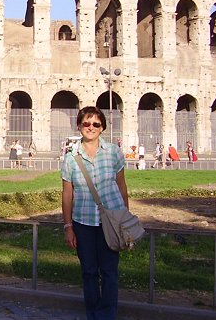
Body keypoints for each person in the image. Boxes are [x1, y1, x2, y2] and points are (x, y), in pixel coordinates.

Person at [61, 106, 128, 320]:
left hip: (111, 220)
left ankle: (106, 315)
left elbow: (122, 186)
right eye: (86, 123)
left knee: (109, 272)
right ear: (79, 126)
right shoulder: (71, 157)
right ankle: (92, 314)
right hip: (83, 222)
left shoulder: (114, 153)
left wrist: (125, 218)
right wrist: (68, 226)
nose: (91, 127)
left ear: (102, 128)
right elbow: (67, 194)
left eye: (96, 124)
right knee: (89, 271)